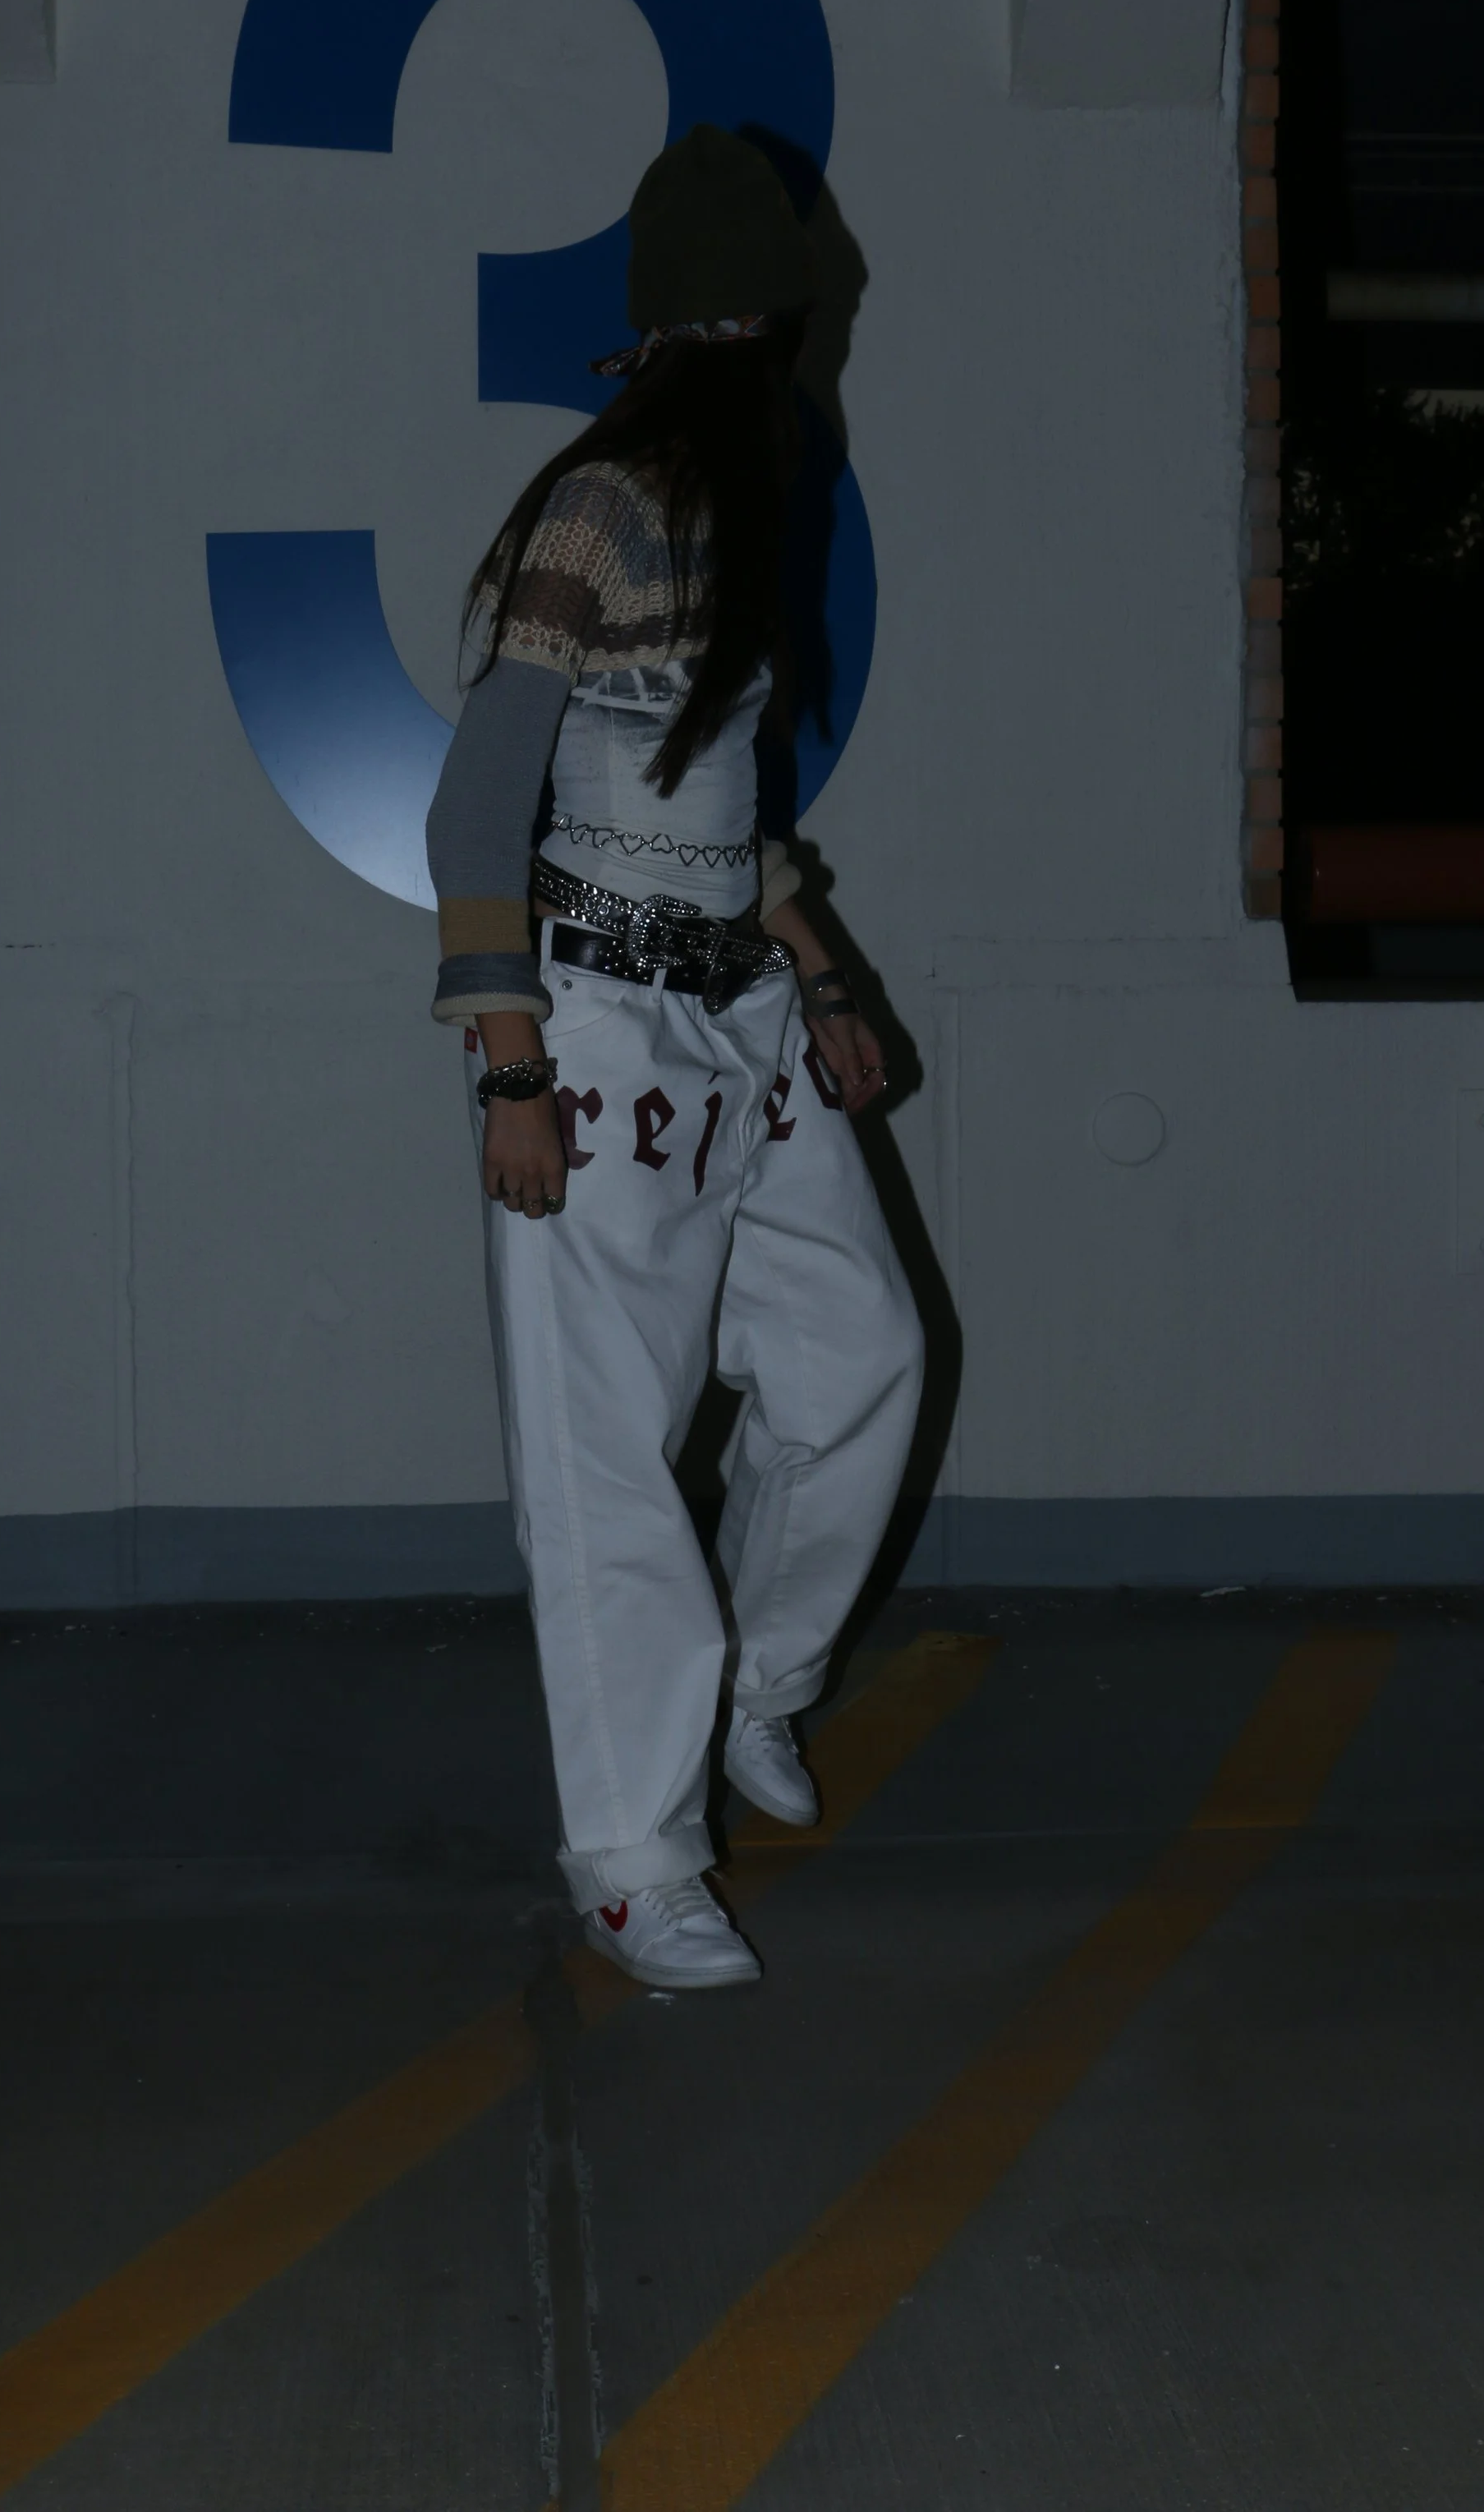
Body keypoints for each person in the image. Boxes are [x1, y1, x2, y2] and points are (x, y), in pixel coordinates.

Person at [425, 127, 924, 1992]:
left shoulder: (735, 491)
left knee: (858, 1351)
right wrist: (510, 1066)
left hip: (738, 1009)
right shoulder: (599, 507)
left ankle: (757, 1685)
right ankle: (633, 1853)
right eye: (773, 321)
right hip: (594, 1020)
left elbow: (714, 800)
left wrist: (823, 973)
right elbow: (480, 807)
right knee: (606, 1450)